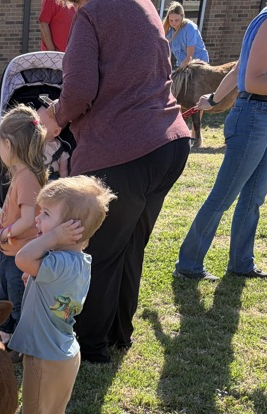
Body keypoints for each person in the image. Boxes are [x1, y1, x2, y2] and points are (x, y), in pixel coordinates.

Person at [38, 0, 190, 364]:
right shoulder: (144, 5)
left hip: (125, 151)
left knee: (100, 252)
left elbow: (79, 91)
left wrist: (54, 117)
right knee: (129, 244)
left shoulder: (92, 14)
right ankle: (119, 333)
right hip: (169, 143)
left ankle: (91, 347)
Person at [175, 2, 267, 282]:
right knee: (224, 195)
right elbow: (253, 79)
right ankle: (188, 264)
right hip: (254, 115)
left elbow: (237, 70)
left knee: (254, 195)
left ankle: (241, 262)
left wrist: (212, 100)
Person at [12, 176, 115, 414]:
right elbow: (45, 280)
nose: (37, 220)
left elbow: (22, 258)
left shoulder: (55, 260)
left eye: (45, 214)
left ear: (72, 229)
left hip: (43, 356)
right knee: (57, 413)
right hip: (65, 354)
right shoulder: (79, 261)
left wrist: (52, 238)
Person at [0, 104, 48, 340]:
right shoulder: (20, 175)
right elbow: (16, 214)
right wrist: (1, 227)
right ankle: (6, 336)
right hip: (12, 250)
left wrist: (3, 234)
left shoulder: (27, 178)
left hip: (21, 254)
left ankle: (23, 344)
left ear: (8, 144)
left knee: (17, 301)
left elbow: (28, 220)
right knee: (7, 296)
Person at [164, 2, 209, 69]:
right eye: (171, 20)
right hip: (182, 64)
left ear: (182, 17)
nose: (174, 23)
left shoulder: (189, 28)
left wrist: (179, 71)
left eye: (176, 20)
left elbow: (189, 56)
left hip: (199, 64)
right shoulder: (169, 32)